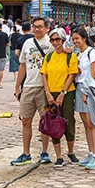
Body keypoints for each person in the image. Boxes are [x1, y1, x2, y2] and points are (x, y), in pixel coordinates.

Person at [12, 17, 52, 166]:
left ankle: (45, 152)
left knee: (45, 121)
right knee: (26, 120)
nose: (37, 29)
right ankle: (26, 153)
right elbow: (22, 65)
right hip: (29, 86)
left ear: (47, 28)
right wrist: (18, 87)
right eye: (35, 27)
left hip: (44, 88)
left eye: (40, 27)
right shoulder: (28, 43)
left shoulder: (51, 43)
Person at [40, 28, 79, 168]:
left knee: (68, 120)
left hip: (66, 92)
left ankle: (71, 151)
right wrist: (48, 93)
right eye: (52, 40)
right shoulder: (48, 57)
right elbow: (44, 75)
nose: (55, 42)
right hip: (51, 92)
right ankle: (58, 156)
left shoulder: (70, 56)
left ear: (63, 40)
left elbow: (72, 75)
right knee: (52, 122)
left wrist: (63, 92)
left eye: (58, 39)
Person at [71, 27, 95, 170]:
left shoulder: (92, 53)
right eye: (73, 39)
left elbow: (93, 73)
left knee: (93, 122)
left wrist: (86, 91)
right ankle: (91, 152)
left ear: (84, 38)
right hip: (79, 87)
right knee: (86, 123)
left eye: (77, 39)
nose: (75, 42)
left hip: (90, 88)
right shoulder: (78, 54)